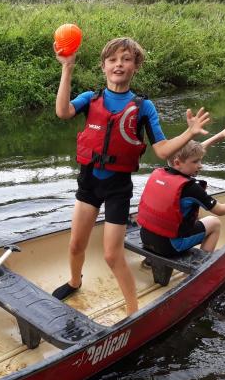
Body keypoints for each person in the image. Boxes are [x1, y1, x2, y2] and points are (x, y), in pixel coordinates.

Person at [54, 36, 212, 315]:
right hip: (89, 182)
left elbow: (162, 150)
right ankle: (75, 281)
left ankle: (132, 311)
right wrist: (67, 68)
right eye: (113, 60)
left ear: (135, 66)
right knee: (76, 243)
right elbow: (63, 111)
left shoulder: (143, 107)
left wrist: (188, 133)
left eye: (126, 59)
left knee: (112, 255)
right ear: (103, 66)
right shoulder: (91, 99)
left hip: (117, 189)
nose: (119, 65)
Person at [137, 125, 225, 257]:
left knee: (195, 215)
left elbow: (191, 154)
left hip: (146, 238)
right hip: (170, 246)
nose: (200, 165)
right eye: (196, 162)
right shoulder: (190, 187)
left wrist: (220, 135)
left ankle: (152, 259)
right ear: (178, 162)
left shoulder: (162, 173)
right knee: (214, 223)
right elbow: (220, 210)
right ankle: (202, 261)